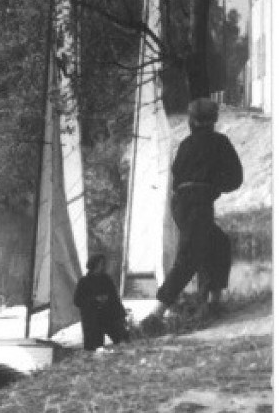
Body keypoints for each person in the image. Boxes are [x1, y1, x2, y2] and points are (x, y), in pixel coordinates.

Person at [142, 98, 243, 330]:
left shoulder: (186, 144)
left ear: (192, 121)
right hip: (199, 204)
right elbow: (235, 178)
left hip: (181, 204)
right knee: (190, 257)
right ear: (213, 120)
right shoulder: (220, 142)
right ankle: (157, 313)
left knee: (218, 243)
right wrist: (216, 186)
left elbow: (176, 173)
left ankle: (209, 301)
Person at [73, 254, 130, 352]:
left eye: (103, 264)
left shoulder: (106, 279)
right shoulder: (84, 282)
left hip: (108, 315)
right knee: (94, 347)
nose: (102, 266)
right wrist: (95, 300)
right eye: (100, 264)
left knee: (122, 338)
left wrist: (121, 315)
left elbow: (115, 298)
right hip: (92, 319)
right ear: (94, 265)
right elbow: (78, 301)